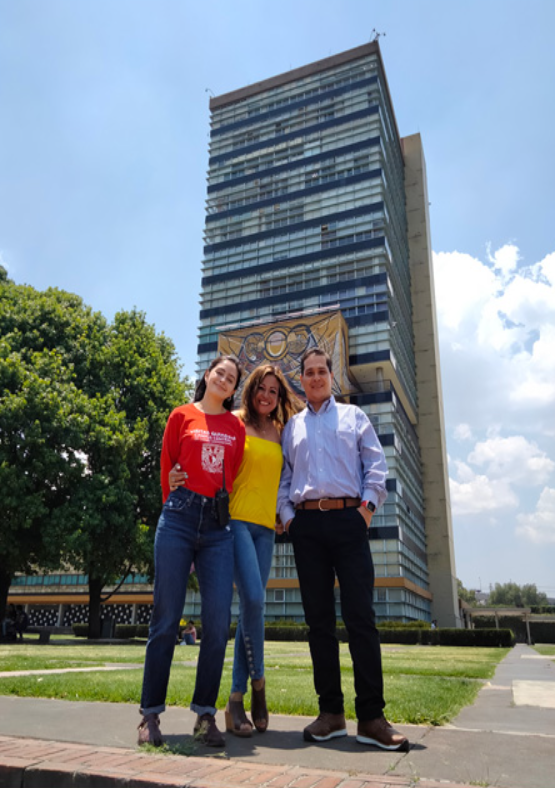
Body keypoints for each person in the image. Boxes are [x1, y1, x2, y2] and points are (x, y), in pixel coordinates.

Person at [277, 347, 409, 752]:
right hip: (307, 527)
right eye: (309, 372)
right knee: (319, 623)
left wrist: (366, 511)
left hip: (350, 521)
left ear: (331, 377)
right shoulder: (292, 427)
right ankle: (331, 714)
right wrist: (289, 517)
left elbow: (377, 469)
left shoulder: (355, 417)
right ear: (301, 380)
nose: (316, 377)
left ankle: (371, 718)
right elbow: (285, 478)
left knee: (360, 619)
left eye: (322, 371)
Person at [170, 364, 303, 738]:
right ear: (250, 389)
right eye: (261, 388)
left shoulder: (280, 432)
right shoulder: (233, 421)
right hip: (235, 522)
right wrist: (177, 476)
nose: (267, 395)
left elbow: (285, 479)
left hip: (266, 528)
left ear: (279, 398)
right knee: (256, 602)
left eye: (274, 391)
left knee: (251, 609)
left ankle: (235, 700)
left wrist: (283, 512)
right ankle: (259, 685)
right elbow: (205, 458)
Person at [138, 355, 245, 749]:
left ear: (234, 389)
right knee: (165, 619)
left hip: (218, 526)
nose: (224, 379)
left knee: (217, 624)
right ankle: (150, 715)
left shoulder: (236, 427)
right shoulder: (181, 415)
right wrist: (173, 489)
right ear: (207, 375)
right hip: (179, 517)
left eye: (231, 378)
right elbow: (168, 467)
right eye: (220, 372)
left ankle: (204, 715)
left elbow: (230, 473)